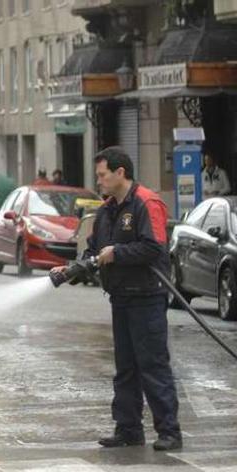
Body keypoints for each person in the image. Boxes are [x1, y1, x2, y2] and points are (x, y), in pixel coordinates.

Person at [51, 146, 181, 451]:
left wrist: (118, 253)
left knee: (152, 365)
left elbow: (155, 248)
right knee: (126, 367)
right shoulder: (107, 210)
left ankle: (170, 432)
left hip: (147, 297)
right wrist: (73, 267)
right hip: (120, 297)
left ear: (120, 173)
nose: (98, 181)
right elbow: (95, 249)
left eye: (102, 174)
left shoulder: (146, 203)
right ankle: (128, 429)